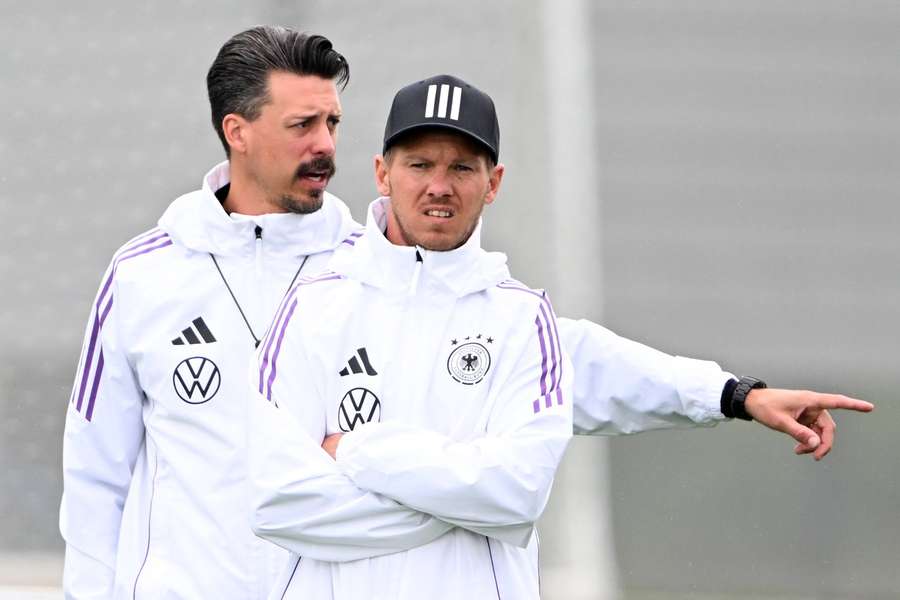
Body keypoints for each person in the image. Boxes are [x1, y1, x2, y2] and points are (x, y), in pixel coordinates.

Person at [60, 25, 873, 600]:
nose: (324, 145)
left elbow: (574, 360)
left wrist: (729, 393)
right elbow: (96, 474)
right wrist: (454, 510)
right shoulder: (144, 277)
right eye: (302, 124)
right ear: (237, 132)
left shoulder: (376, 263)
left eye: (334, 123)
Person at [247, 74, 572, 599]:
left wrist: (358, 450)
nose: (438, 186)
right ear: (383, 173)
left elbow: (519, 493)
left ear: (494, 183)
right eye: (419, 164)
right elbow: (275, 500)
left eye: (462, 167)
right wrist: (460, 505)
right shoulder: (314, 306)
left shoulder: (524, 319)